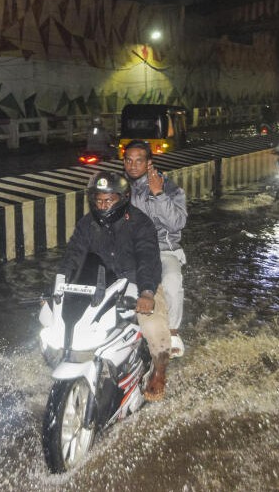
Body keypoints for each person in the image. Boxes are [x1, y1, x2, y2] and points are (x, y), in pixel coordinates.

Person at [56, 171, 172, 400]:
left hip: (136, 282)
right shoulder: (87, 224)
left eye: (109, 200)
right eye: (98, 200)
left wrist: (147, 292)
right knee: (62, 322)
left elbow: (148, 258)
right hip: (102, 283)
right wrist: (58, 287)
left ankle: (159, 372)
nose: (103, 205)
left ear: (123, 198)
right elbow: (72, 256)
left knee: (153, 325)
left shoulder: (140, 223)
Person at [121, 139, 189, 359]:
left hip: (163, 249)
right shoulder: (121, 188)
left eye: (138, 161)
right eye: (128, 161)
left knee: (171, 280)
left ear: (149, 162)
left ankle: (173, 332)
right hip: (130, 250)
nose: (132, 166)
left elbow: (177, 223)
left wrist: (159, 194)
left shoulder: (169, 187)